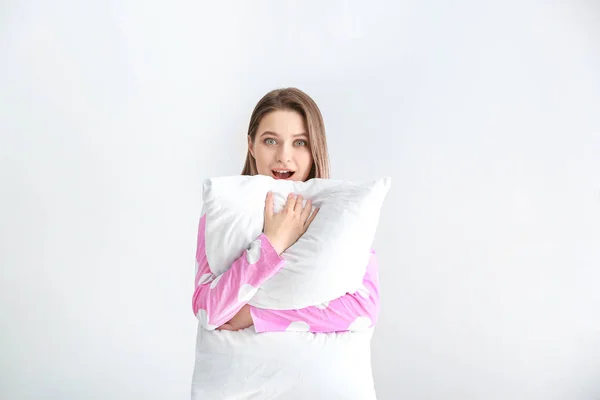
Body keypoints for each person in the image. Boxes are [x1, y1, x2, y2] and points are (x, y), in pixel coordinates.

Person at [191, 87, 380, 398]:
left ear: (315, 147)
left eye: (300, 142)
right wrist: (271, 244)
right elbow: (209, 312)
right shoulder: (225, 212)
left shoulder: (340, 211)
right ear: (251, 145)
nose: (284, 156)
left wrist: (255, 315)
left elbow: (362, 309)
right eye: (270, 141)